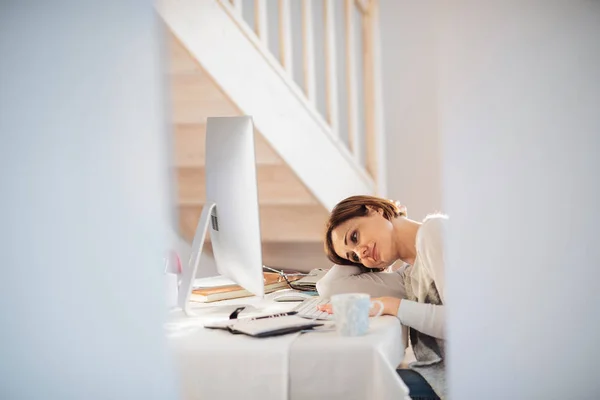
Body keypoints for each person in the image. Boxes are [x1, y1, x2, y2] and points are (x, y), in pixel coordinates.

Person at [316, 195, 447, 400]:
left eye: (354, 237)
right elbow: (329, 287)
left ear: (373, 209)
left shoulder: (434, 232)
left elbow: (463, 323)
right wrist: (356, 253)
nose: (361, 252)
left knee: (347, 389)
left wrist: (391, 305)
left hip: (470, 381)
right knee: (342, 381)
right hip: (439, 380)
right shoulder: (408, 278)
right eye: (354, 257)